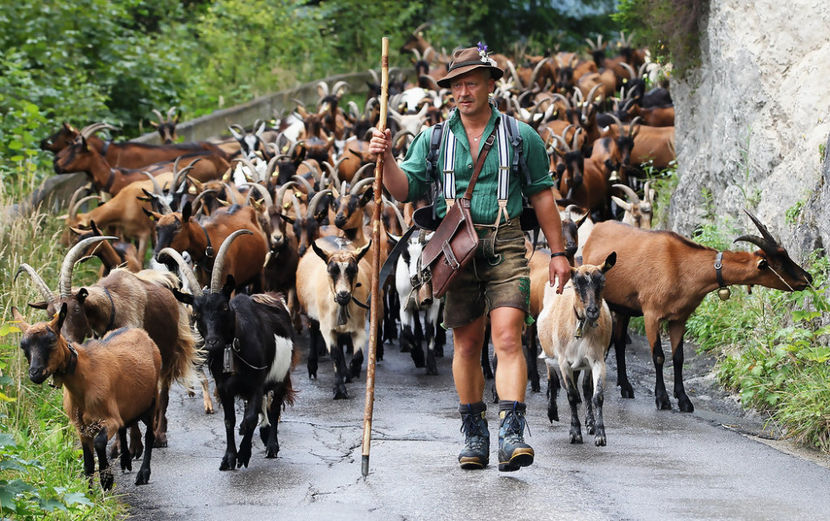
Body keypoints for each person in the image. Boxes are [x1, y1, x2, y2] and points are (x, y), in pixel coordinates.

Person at [369, 45, 571, 472]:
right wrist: (385, 158)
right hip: (452, 250)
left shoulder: (521, 137)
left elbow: (542, 196)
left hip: (507, 243)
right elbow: (402, 189)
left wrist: (558, 252)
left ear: (490, 84)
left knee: (508, 338)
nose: (463, 91)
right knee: (465, 343)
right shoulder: (434, 139)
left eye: (471, 82)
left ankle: (512, 433)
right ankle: (475, 433)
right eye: (456, 84)